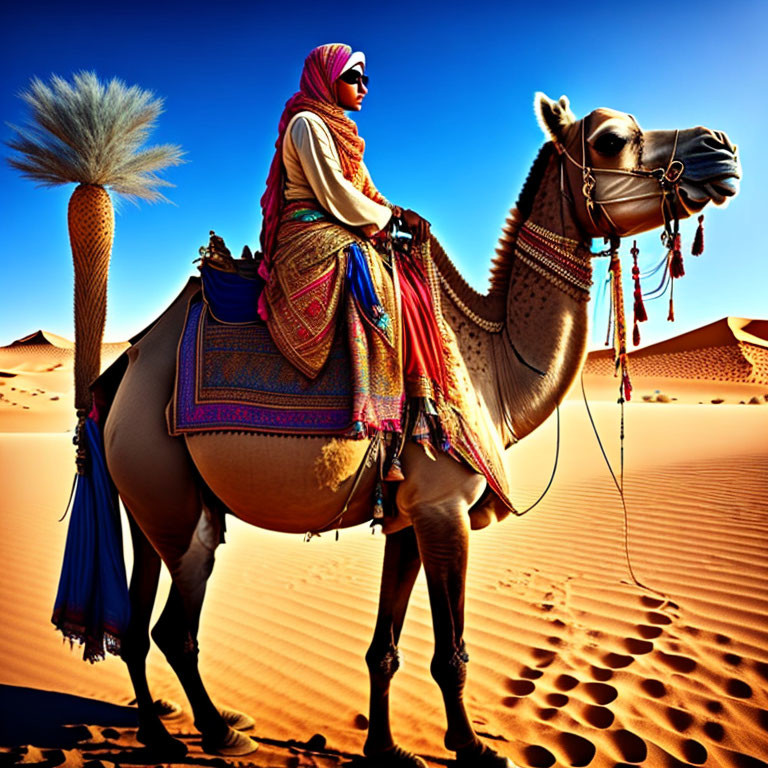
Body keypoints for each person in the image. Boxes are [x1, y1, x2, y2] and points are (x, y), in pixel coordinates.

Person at [258, 43, 446, 452]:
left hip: (338, 225)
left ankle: (418, 395)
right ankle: (370, 403)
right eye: (353, 78)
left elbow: (367, 192)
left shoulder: (340, 130)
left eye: (366, 79)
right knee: (367, 270)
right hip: (308, 233)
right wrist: (393, 220)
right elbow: (334, 192)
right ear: (327, 80)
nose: (363, 86)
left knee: (404, 272)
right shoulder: (307, 124)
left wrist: (397, 211)